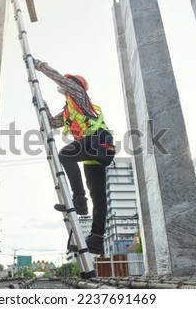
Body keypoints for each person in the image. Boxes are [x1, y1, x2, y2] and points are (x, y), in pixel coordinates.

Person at [33, 58, 116, 255]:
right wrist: (40, 102)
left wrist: (39, 65)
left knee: (66, 154)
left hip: (99, 140)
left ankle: (79, 200)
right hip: (91, 149)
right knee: (98, 195)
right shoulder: (68, 111)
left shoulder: (79, 94)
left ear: (76, 85)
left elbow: (59, 78)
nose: (64, 89)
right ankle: (96, 238)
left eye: (68, 85)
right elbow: (53, 122)